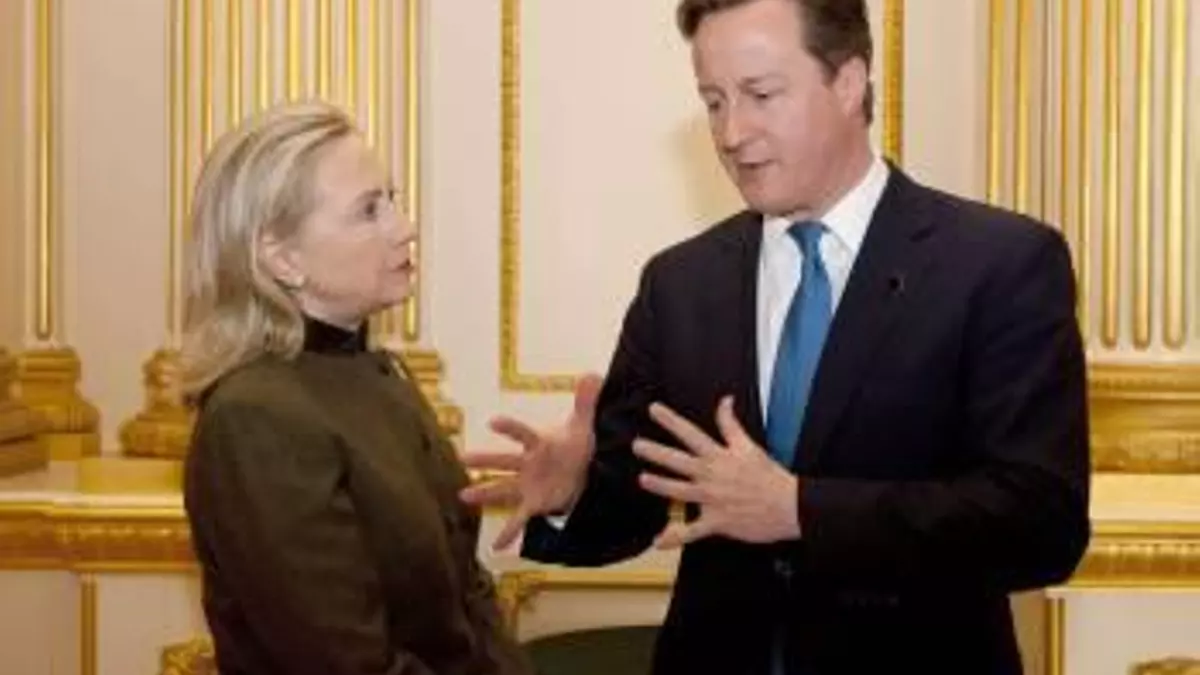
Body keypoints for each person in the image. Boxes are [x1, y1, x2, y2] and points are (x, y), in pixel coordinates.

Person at [460, 0, 1091, 673]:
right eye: (713, 102)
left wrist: (800, 509)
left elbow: (1039, 525)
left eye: (760, 95)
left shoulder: (999, 264)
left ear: (848, 82)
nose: (732, 133)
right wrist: (574, 493)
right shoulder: (680, 284)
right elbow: (628, 512)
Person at [181, 101, 533, 675]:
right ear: (282, 258)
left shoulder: (380, 374)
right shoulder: (254, 417)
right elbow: (346, 661)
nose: (405, 227)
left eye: (392, 199)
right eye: (369, 210)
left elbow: (466, 598)